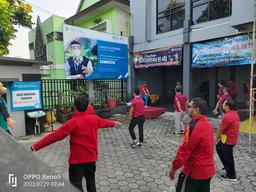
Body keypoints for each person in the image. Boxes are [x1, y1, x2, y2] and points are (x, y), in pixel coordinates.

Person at [31, 95, 122, 192]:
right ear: (88, 106)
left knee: (76, 186)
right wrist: (115, 123)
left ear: (75, 107)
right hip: (91, 159)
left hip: (77, 162)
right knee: (91, 183)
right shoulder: (95, 119)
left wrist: (35, 147)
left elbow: (54, 136)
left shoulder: (72, 123)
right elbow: (105, 122)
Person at [169, 98, 215, 192]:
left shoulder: (193, 127)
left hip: (194, 172)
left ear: (196, 109)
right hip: (208, 171)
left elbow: (185, 151)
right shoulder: (208, 125)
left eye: (189, 106)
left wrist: (174, 168)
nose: (187, 108)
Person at [216, 99, 240, 181]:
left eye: (224, 104)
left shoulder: (227, 116)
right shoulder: (234, 113)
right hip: (228, 138)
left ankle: (231, 176)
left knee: (228, 156)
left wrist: (215, 139)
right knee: (219, 147)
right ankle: (227, 166)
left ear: (227, 106)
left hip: (228, 140)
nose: (222, 104)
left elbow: (220, 130)